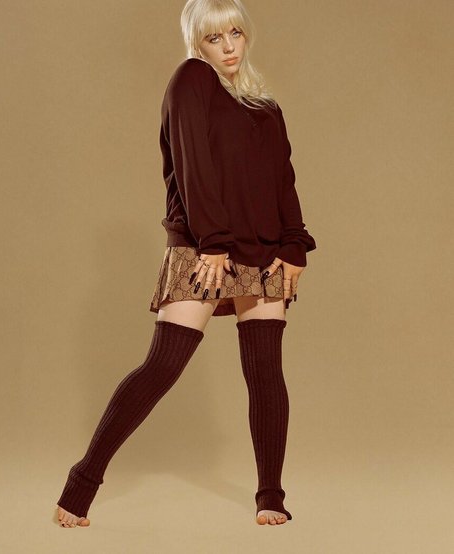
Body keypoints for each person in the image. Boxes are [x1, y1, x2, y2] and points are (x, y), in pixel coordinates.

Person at [55, 0, 316, 528]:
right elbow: (192, 163)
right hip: (204, 245)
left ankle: (270, 496)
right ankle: (80, 486)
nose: (228, 47)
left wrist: (295, 244)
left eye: (235, 33)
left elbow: (282, 179)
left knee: (266, 374)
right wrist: (213, 243)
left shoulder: (264, 105)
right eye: (215, 37)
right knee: (163, 366)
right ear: (198, 42)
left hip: (266, 248)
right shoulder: (191, 79)